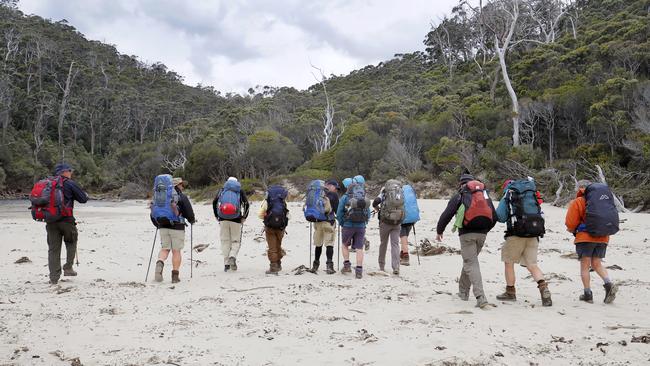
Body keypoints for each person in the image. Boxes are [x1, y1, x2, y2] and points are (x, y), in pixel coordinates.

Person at [435, 174, 496, 309]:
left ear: (461, 184)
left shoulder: (460, 195)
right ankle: (463, 292)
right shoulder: (484, 195)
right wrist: (485, 230)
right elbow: (494, 216)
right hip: (482, 233)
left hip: (467, 234)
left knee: (471, 263)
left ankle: (481, 298)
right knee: (470, 261)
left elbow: (447, 214)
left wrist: (439, 231)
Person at [495, 178, 552, 306]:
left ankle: (510, 292)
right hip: (533, 233)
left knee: (509, 263)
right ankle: (544, 288)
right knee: (532, 265)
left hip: (515, 234)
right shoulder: (530, 194)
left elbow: (500, 216)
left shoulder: (509, 194)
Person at [565, 180, 619, 304]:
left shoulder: (578, 201)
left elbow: (570, 223)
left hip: (585, 237)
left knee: (585, 266)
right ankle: (608, 284)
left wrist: (573, 230)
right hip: (603, 236)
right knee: (597, 263)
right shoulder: (603, 200)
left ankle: (587, 294)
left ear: (580, 188)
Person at [44, 163, 88, 284]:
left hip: (50, 221)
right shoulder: (69, 183)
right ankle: (68, 267)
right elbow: (83, 199)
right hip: (66, 220)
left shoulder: (48, 184)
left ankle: (53, 277)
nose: (71, 173)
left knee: (53, 249)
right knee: (71, 242)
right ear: (64, 172)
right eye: (70, 170)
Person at [153, 177, 195, 283]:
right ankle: (175, 276)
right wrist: (191, 220)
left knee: (164, 249)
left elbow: (153, 211)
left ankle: (160, 262)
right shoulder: (180, 196)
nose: (183, 187)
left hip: (162, 225)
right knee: (176, 251)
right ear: (176, 186)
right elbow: (188, 212)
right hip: (177, 226)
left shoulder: (158, 196)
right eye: (181, 185)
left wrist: (157, 224)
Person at [336, 175, 371, 279]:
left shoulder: (345, 197)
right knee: (359, 248)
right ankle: (359, 270)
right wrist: (364, 223)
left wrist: (342, 223)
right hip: (361, 226)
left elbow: (339, 213)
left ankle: (347, 266)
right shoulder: (364, 198)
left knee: (344, 245)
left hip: (348, 225)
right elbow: (368, 213)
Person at [213, 177, 250, 272]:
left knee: (225, 241)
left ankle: (226, 264)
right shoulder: (239, 191)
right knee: (235, 241)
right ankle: (232, 256)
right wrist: (244, 217)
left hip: (222, 218)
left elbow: (214, 202)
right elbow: (246, 204)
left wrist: (217, 215)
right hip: (236, 219)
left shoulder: (222, 190)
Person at [372, 179, 404, 275]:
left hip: (385, 221)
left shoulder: (384, 191)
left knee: (383, 243)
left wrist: (378, 209)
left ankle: (382, 266)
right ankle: (396, 267)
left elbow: (375, 202)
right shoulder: (400, 191)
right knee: (395, 244)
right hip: (397, 221)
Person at [309, 180, 340, 274]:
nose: (336, 190)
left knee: (318, 244)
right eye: (335, 187)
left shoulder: (315, 194)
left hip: (317, 222)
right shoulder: (333, 195)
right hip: (328, 222)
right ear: (329, 185)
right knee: (329, 244)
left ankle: (315, 265)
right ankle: (329, 266)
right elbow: (337, 210)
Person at [259, 185, 290, 275]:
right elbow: (288, 215)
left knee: (272, 247)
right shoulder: (283, 202)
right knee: (278, 245)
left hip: (270, 227)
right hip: (281, 227)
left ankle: (273, 267)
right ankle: (278, 263)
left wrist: (266, 219)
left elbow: (260, 214)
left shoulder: (266, 202)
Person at [400, 184, 420, 266]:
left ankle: (405, 256)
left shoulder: (399, 193)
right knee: (405, 236)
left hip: (403, 218)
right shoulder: (412, 193)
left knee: (403, 236)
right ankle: (402, 253)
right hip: (412, 218)